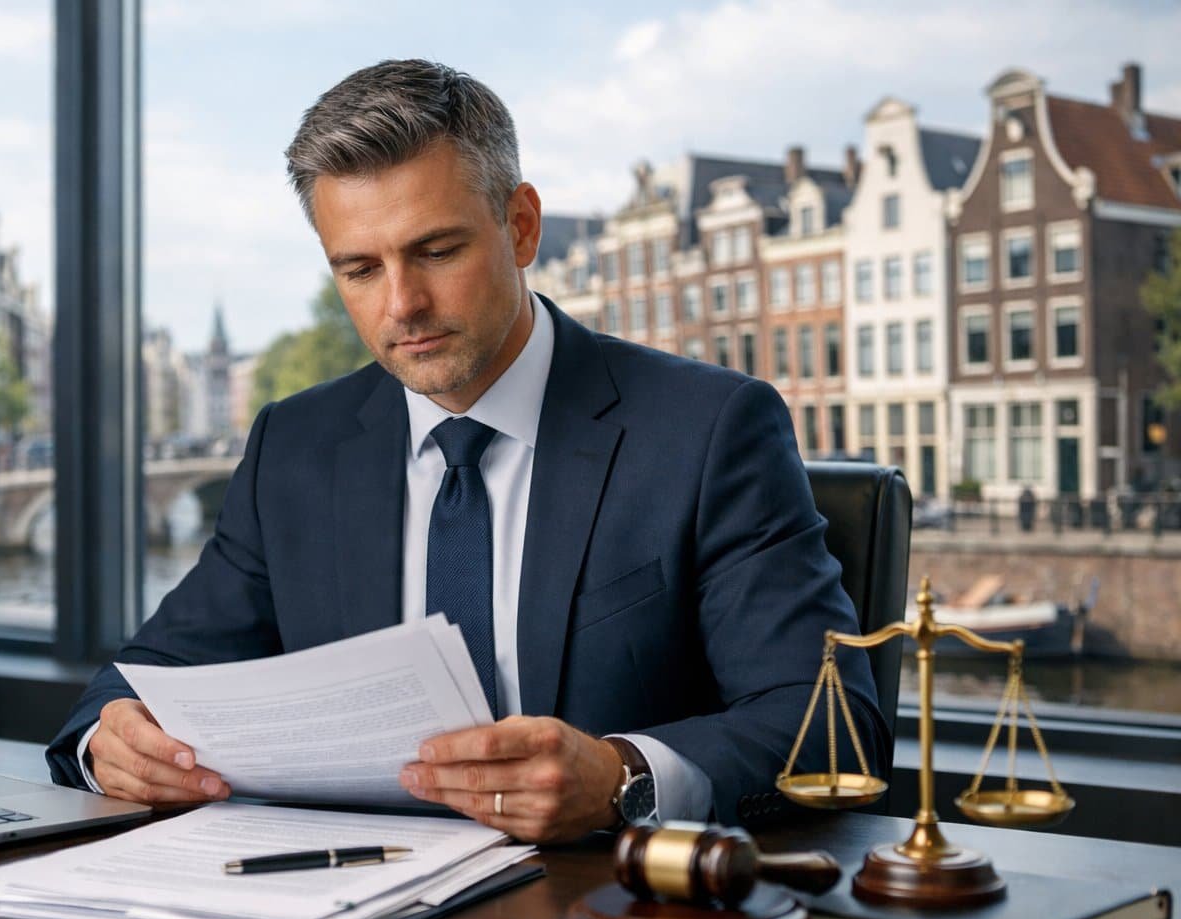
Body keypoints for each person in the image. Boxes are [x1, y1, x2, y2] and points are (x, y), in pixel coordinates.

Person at [46, 59, 885, 843]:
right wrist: (109, 741)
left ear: (521, 227)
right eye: (359, 270)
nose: (402, 305)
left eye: (436, 252)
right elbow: (141, 680)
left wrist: (624, 777)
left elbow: (835, 727)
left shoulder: (709, 430)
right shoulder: (295, 449)